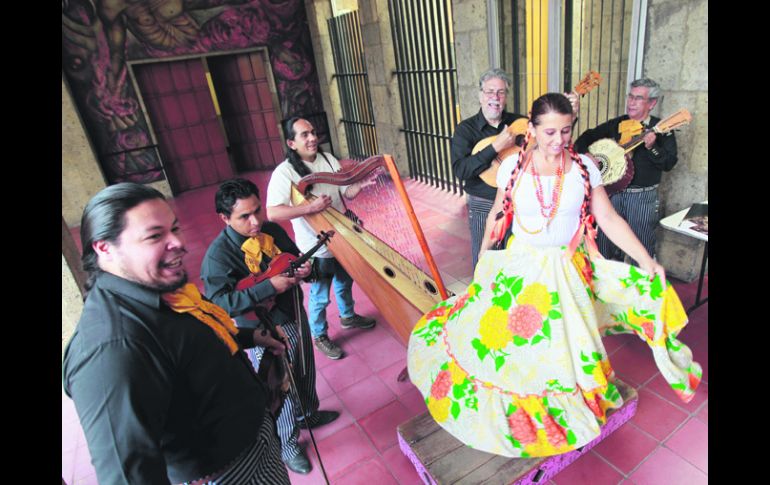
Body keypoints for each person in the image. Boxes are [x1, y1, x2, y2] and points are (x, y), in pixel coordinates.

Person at [407, 93, 701, 458]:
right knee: (516, 345)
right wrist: (483, 254)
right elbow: (498, 213)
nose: (558, 140)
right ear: (531, 129)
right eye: (549, 132)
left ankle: (562, 404)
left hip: (566, 269)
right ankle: (521, 404)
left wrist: (646, 260)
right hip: (522, 267)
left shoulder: (584, 167)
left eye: (565, 131)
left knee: (564, 345)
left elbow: (608, 218)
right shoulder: (512, 166)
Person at [62, 183, 291, 484]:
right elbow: (129, 475)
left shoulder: (162, 289)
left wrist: (250, 337)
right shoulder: (111, 349)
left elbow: (192, 341)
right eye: (155, 236)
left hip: (255, 443)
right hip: (227, 475)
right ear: (104, 248)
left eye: (174, 229)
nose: (179, 243)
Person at [200, 178, 339, 475]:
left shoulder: (272, 231)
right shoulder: (218, 256)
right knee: (280, 387)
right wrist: (268, 288)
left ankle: (308, 414)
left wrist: (305, 269)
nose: (255, 222)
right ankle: (287, 445)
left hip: (293, 311)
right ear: (224, 218)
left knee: (305, 367)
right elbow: (219, 304)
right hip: (262, 329)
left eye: (257, 211)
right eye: (244, 216)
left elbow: (293, 258)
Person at [265, 117, 376, 360]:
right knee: (320, 295)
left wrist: (361, 184)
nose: (312, 138)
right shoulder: (285, 172)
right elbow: (273, 213)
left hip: (342, 237)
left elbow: (346, 192)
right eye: (304, 135)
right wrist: (310, 208)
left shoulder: (327, 159)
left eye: (313, 132)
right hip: (316, 245)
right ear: (291, 143)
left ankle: (348, 316)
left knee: (345, 281)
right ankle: (319, 335)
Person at [451, 68, 580, 269]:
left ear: (506, 97)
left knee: (516, 261)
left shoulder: (520, 123)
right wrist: (495, 147)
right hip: (484, 203)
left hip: (518, 202)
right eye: (490, 91)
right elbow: (461, 170)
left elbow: (550, 139)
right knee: (486, 260)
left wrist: (570, 115)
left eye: (501, 92)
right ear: (480, 95)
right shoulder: (465, 130)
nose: (495, 97)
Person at [574, 78, 678, 264]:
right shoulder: (617, 123)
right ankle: (605, 279)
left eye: (638, 98)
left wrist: (652, 147)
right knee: (603, 242)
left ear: (652, 103)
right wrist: (586, 155)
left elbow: (669, 163)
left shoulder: (662, 128)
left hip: (642, 198)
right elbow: (586, 137)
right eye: (630, 96)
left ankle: (643, 280)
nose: (631, 102)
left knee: (642, 246)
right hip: (611, 193)